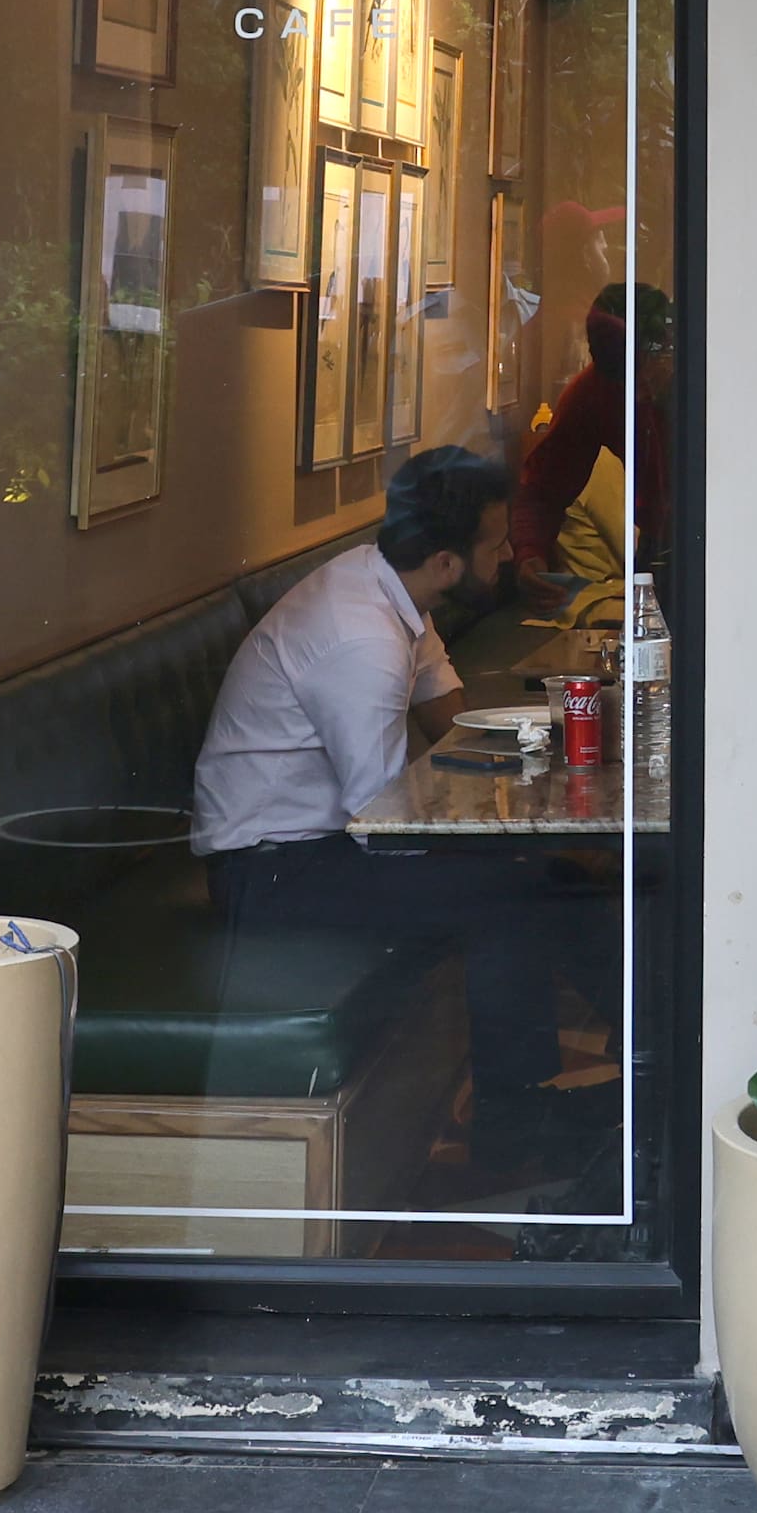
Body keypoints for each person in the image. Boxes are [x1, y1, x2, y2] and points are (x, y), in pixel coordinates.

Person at [191, 449, 595, 1188]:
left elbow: (449, 715)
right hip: (271, 868)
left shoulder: (393, 590)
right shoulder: (362, 637)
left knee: (552, 876)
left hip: (322, 845)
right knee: (510, 899)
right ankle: (515, 1127)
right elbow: (385, 822)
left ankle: (633, 1071)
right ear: (446, 561)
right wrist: (507, 832)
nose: (509, 555)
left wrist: (532, 787)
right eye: (496, 545)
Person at [511, 280, 673, 571]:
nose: (639, 394)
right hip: (660, 541)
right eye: (625, 383)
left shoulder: (710, 381)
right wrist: (530, 553)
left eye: (645, 374)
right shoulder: (593, 391)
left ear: (668, 345)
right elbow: (542, 492)